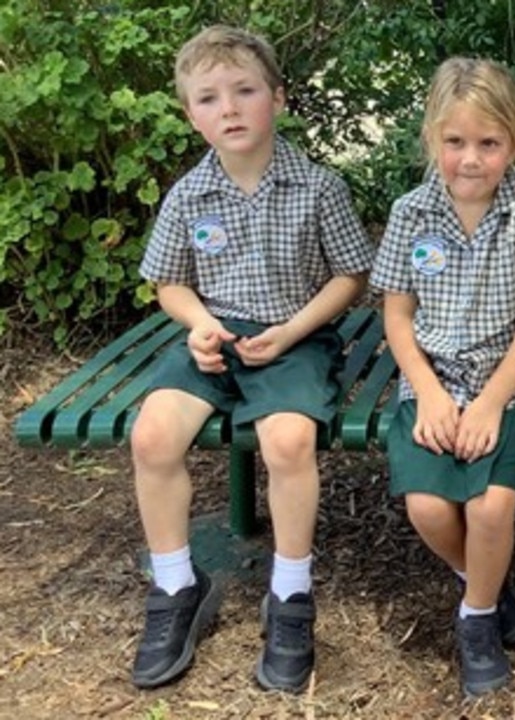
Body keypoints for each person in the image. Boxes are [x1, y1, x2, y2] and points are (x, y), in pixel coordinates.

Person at [129, 25, 374, 692]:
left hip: (293, 336)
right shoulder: (188, 194)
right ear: (190, 114)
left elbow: (351, 275)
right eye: (209, 97)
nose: (229, 109)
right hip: (215, 340)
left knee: (288, 441)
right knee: (152, 435)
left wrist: (294, 330)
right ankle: (177, 583)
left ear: (279, 98)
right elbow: (169, 282)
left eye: (244, 91)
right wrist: (201, 325)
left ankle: (290, 593)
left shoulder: (318, 187)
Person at [370, 57, 515, 697]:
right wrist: (427, 390)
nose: (471, 159)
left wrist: (487, 405)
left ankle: (476, 619)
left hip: (511, 384)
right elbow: (397, 313)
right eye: (455, 142)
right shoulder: (411, 212)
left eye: (489, 143)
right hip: (431, 379)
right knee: (428, 505)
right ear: (432, 139)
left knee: (490, 505)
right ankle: (487, 580)